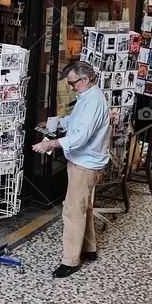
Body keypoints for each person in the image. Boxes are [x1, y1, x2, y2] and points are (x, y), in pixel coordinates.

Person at [32, 61, 115, 278]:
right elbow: (76, 123)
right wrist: (58, 123)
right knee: (84, 207)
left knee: (72, 211)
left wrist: (50, 144)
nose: (71, 87)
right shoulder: (88, 97)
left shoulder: (93, 102)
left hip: (85, 164)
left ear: (85, 80)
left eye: (73, 83)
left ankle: (70, 261)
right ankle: (89, 249)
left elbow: (80, 137)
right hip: (87, 162)